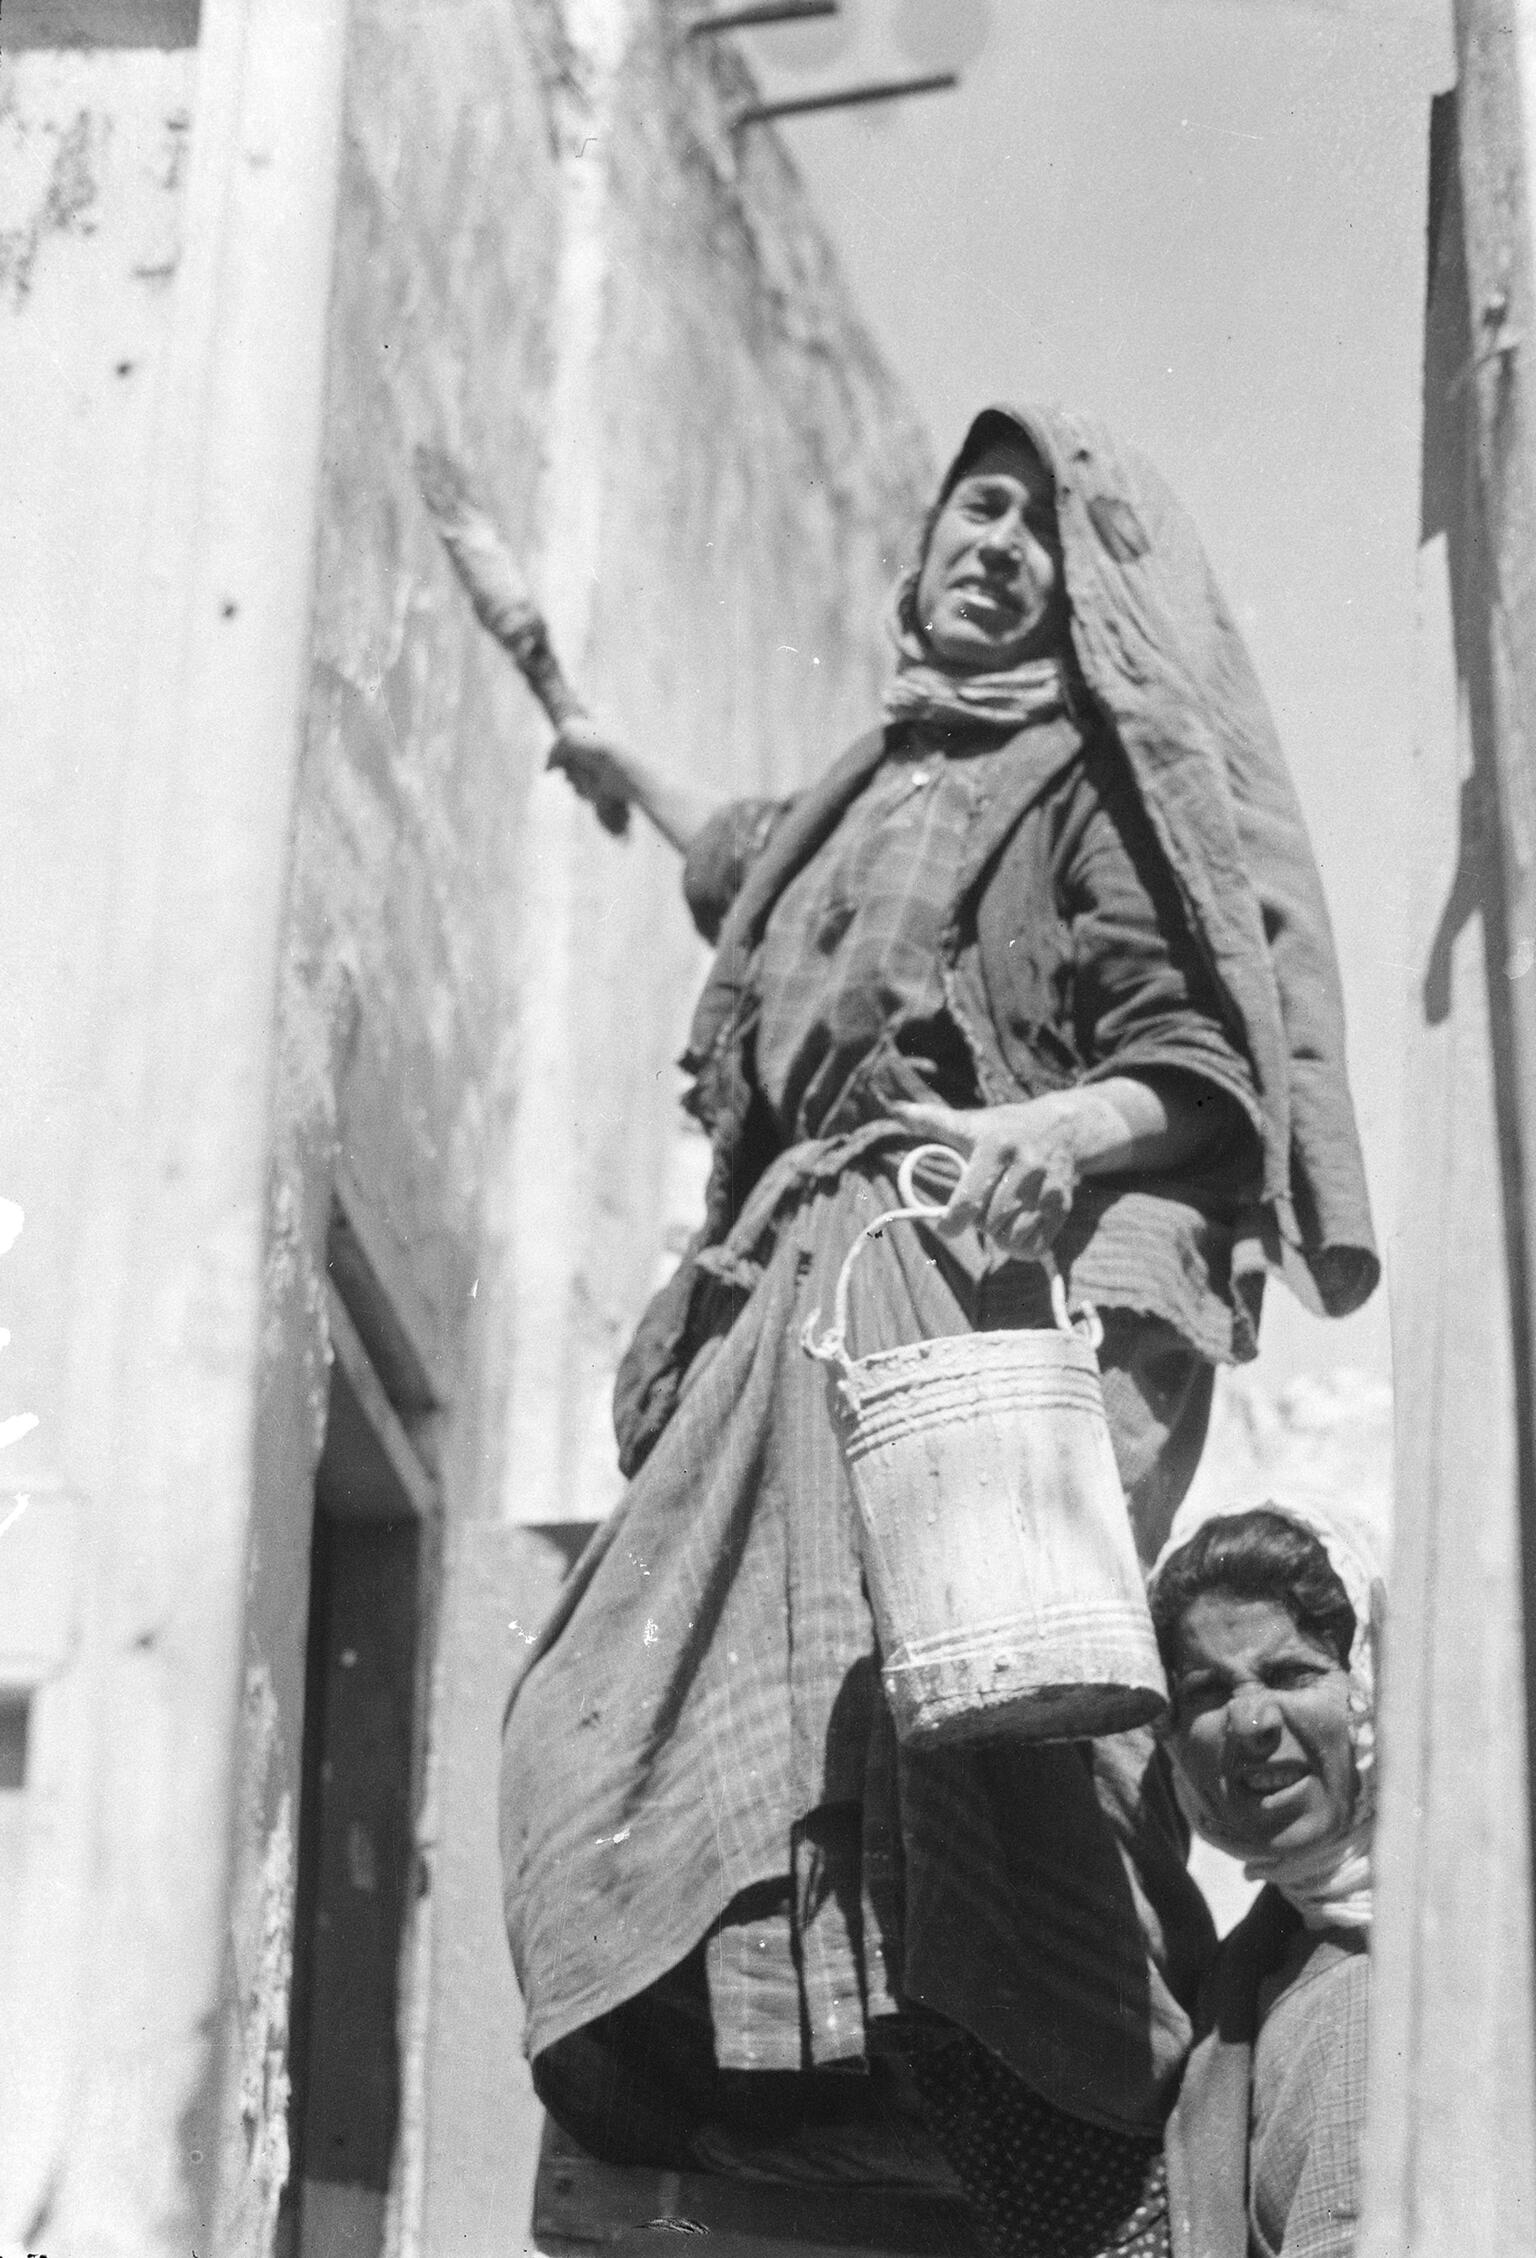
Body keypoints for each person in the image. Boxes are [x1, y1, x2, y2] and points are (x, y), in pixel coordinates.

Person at [499, 404, 1378, 2258]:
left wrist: (1047, 1134)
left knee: (979, 1731)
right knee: (597, 1718)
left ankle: (1125, 2133)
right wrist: (601, 748)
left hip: (963, 1288)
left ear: (1083, 597)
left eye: (1040, 528)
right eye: (971, 508)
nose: (998, 543)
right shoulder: (858, 788)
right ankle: (778, 2054)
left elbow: (1196, 1060)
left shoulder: (1083, 777)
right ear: (916, 556)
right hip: (786, 1291)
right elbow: (739, 860)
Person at [1151, 1500, 1382, 2258]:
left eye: (1290, 1673)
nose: (1250, 1722)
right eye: (1210, 1692)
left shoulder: (1420, 1982)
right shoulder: (1258, 1964)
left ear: (1375, 1686)